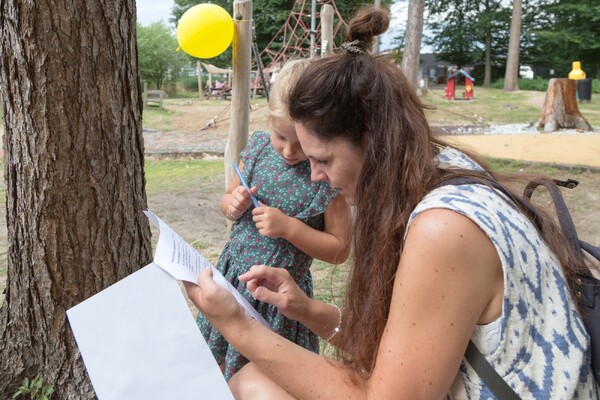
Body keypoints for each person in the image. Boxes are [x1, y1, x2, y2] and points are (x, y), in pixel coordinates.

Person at [187, 8, 598, 399]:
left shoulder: (445, 227)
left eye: (323, 160)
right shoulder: (444, 170)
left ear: (372, 141)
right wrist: (307, 310)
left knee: (250, 384)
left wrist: (237, 324)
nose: (314, 176)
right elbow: (396, 352)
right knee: (253, 380)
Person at [195, 59, 351, 381]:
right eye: (281, 136)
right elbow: (227, 199)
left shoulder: (325, 176)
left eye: (302, 143)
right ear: (268, 121)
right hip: (234, 278)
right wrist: (233, 204)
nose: (289, 151)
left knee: (266, 376)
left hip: (279, 298)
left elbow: (339, 250)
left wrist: (290, 228)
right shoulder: (258, 150)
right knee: (216, 364)